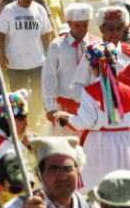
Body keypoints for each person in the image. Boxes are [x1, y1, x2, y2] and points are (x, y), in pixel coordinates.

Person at [55, 41, 130, 191]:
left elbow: (84, 122)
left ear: (93, 68)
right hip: (126, 143)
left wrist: (67, 117)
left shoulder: (90, 92)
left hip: (100, 144)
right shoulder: (127, 90)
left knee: (98, 186)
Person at [0, 0, 53, 126]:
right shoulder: (9, 10)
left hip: (38, 60)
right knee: (18, 96)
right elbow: (0, 35)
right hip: (15, 62)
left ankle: (33, 121)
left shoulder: (39, 9)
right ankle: (20, 122)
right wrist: (1, 55)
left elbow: (46, 35)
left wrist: (50, 57)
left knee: (40, 93)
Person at [42, 3, 96, 136]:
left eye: (85, 25)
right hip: (63, 107)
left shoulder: (95, 45)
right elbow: (49, 77)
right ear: (69, 23)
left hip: (88, 107)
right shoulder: (58, 46)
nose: (82, 29)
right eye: (78, 25)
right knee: (62, 148)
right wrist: (50, 106)